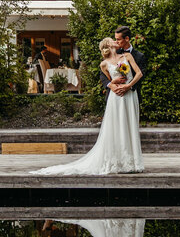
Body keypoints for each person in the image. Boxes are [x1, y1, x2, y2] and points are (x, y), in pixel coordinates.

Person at [32, 37, 144, 175]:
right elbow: (108, 81)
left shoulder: (126, 56)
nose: (115, 41)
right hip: (116, 98)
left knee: (129, 126)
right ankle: (118, 162)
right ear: (107, 45)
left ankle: (132, 162)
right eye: (112, 40)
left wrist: (128, 85)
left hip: (128, 94)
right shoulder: (104, 64)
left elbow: (138, 73)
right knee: (116, 127)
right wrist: (113, 83)